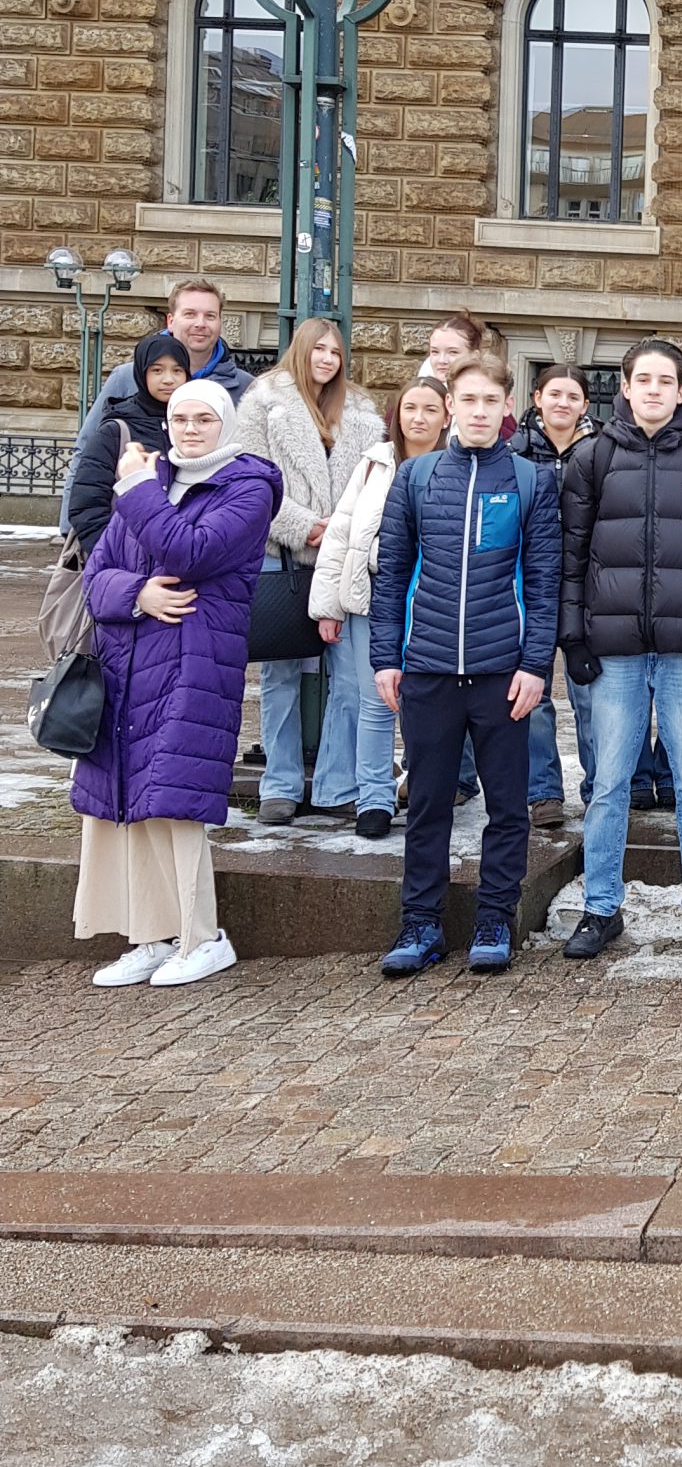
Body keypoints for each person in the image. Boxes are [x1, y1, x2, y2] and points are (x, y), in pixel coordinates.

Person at [73, 380, 281, 990]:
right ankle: (152, 935)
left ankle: (202, 938)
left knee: (176, 801)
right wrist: (136, 593)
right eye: (179, 418)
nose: (190, 429)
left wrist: (137, 488)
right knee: (129, 802)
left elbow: (190, 551)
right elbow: (96, 577)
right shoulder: (150, 483)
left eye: (203, 419)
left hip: (193, 665)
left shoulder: (247, 488)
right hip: (126, 665)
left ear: (226, 425)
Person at [371, 352, 561, 977]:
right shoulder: (417, 477)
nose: (479, 411)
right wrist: (386, 657)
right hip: (427, 669)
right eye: (468, 400)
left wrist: (535, 665)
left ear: (508, 407)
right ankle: (420, 923)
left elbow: (544, 582)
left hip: (502, 672)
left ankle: (494, 918)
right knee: (427, 804)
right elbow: (392, 573)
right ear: (450, 405)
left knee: (507, 806)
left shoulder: (531, 480)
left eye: (491, 401)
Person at [559, 338, 682, 963]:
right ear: (626, 388)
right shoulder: (593, 458)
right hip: (614, 651)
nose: (655, 390)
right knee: (609, 784)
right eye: (644, 380)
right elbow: (571, 555)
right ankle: (600, 907)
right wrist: (572, 636)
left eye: (667, 381)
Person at [233, 319, 386, 829]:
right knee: (281, 674)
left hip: (343, 560)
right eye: (318, 349)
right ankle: (279, 785)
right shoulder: (263, 401)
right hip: (282, 555)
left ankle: (336, 784)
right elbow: (250, 477)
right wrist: (302, 525)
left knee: (349, 678)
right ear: (300, 350)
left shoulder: (360, 410)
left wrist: (339, 530)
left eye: (335, 352)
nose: (326, 359)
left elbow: (373, 484)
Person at [309, 375, 448, 842]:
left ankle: (424, 790)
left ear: (446, 416)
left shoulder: (454, 464)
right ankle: (374, 798)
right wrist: (328, 605)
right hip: (370, 596)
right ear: (396, 414)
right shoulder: (374, 463)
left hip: (433, 600)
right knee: (375, 700)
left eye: (430, 409)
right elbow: (341, 535)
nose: (418, 418)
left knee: (428, 704)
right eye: (410, 408)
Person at [60, 278, 251, 530]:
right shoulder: (126, 377)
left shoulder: (244, 387)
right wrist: (70, 528)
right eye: (190, 314)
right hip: (126, 530)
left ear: (220, 322)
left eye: (210, 316)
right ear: (171, 320)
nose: (200, 323)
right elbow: (86, 451)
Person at [513, 362, 602, 828]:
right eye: (554, 394)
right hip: (532, 583)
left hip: (588, 584)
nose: (562, 403)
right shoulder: (515, 451)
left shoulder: (603, 449)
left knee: (589, 695)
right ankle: (543, 792)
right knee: (535, 692)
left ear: (585, 404)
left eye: (572, 396)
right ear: (537, 398)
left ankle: (599, 788)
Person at [65, 332, 191, 558]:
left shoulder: (195, 425)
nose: (168, 379)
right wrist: (111, 557)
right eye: (157, 370)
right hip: (124, 557)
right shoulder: (116, 429)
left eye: (177, 370)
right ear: (142, 373)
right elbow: (87, 502)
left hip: (179, 555)